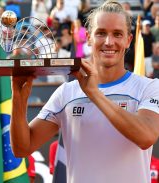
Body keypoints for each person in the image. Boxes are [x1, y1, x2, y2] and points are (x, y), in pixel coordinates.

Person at [10, 1, 159, 183]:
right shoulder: (67, 92)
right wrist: (18, 98)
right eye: (101, 33)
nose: (109, 42)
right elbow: (22, 148)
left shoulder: (148, 87)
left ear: (128, 40)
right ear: (88, 37)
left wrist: (94, 94)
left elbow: (146, 137)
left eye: (117, 34)